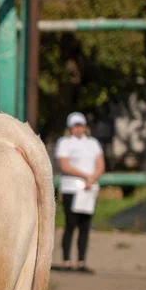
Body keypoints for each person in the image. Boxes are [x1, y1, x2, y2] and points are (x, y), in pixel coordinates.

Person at [55, 112, 105, 272]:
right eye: (75, 125)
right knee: (71, 224)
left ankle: (82, 261)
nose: (78, 128)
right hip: (71, 187)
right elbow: (64, 165)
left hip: (89, 188)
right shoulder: (64, 143)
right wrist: (85, 176)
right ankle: (66, 261)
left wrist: (92, 178)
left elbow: (100, 164)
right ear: (70, 127)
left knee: (85, 225)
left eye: (80, 125)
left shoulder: (93, 143)